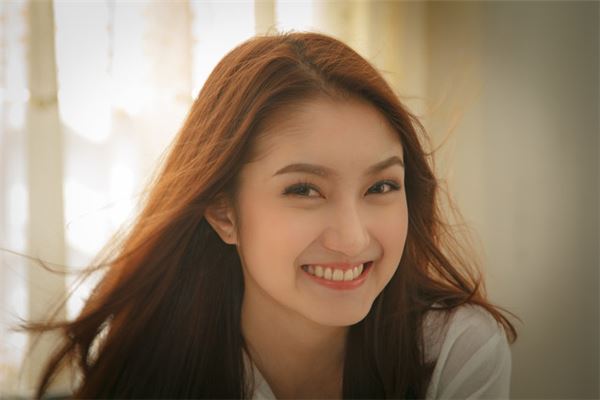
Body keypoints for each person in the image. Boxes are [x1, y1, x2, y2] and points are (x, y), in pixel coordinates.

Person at [31, 31, 517, 398]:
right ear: (223, 212)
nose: (352, 238)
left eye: (381, 187)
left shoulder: (455, 351)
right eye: (304, 190)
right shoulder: (150, 361)